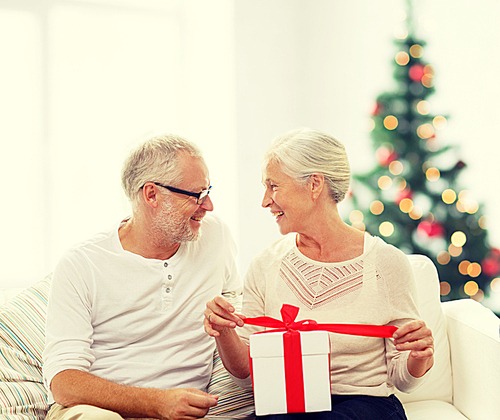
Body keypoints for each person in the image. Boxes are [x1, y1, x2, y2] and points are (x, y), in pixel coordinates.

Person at [204, 128, 434, 420]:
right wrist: (223, 331)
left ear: (314, 185)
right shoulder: (265, 265)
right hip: (290, 404)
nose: (265, 201)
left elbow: (403, 379)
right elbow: (246, 375)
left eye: (274, 186)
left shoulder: (386, 263)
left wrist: (418, 357)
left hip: (365, 405)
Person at [43, 133, 241, 420]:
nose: (208, 206)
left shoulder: (216, 236)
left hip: (183, 412)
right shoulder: (82, 263)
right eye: (197, 195)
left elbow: (238, 324)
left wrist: (225, 325)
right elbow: (64, 382)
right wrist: (157, 403)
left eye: (208, 191)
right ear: (151, 195)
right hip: (98, 411)